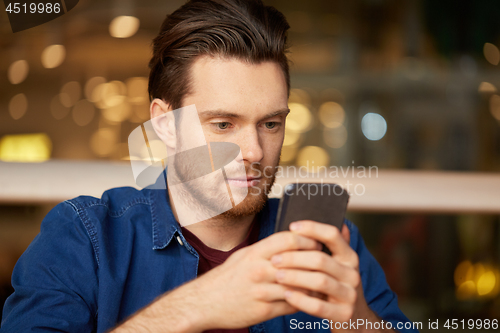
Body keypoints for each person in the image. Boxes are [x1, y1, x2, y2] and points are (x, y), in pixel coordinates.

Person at [1, 1, 419, 332]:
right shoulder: (85, 239)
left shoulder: (327, 244)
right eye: (223, 124)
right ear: (165, 124)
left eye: (271, 124)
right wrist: (199, 304)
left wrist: (361, 324)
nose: (254, 151)